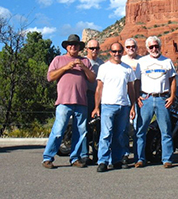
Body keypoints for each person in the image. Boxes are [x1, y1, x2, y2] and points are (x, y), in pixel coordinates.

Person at [42, 34, 96, 169]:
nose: (73, 47)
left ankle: (75, 158)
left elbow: (91, 79)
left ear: (79, 47)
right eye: (71, 44)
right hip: (64, 101)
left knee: (81, 131)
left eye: (76, 45)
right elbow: (50, 77)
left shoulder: (85, 61)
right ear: (66, 46)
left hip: (81, 101)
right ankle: (48, 158)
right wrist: (66, 67)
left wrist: (82, 67)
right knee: (59, 130)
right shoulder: (58, 59)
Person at [92, 42, 138, 172]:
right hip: (108, 105)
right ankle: (103, 161)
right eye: (114, 51)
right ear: (110, 52)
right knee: (106, 134)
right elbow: (99, 88)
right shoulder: (104, 68)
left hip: (123, 106)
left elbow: (131, 89)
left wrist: (133, 106)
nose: (117, 54)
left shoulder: (127, 68)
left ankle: (117, 159)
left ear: (122, 52)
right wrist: (96, 107)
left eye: (119, 51)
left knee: (120, 134)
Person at [134, 36, 176, 168]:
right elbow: (136, 81)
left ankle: (167, 159)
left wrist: (172, 96)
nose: (154, 49)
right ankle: (139, 159)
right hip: (146, 98)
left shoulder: (167, 61)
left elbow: (173, 79)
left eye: (156, 46)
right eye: (151, 47)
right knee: (141, 130)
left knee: (166, 130)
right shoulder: (142, 62)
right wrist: (136, 97)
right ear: (147, 48)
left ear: (160, 46)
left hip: (162, 98)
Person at [120, 37, 141, 167]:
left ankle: (139, 155)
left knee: (138, 127)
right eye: (128, 47)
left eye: (133, 46)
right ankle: (124, 154)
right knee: (124, 128)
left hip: (139, 98)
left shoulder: (142, 61)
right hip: (124, 98)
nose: (130, 49)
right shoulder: (120, 61)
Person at [84, 39, 104, 162]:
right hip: (85, 96)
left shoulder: (102, 63)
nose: (94, 51)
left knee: (99, 126)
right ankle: (84, 154)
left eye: (96, 48)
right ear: (87, 49)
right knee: (84, 126)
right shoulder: (83, 61)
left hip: (100, 97)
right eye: (91, 48)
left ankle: (97, 153)